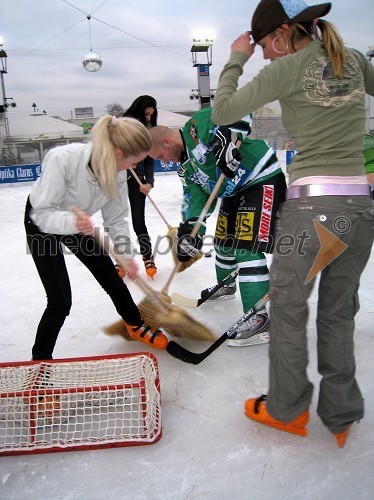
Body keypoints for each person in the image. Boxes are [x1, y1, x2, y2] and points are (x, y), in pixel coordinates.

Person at [212, 0, 374, 447]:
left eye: (265, 43)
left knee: (287, 310)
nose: (265, 53)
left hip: (312, 212)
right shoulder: (355, 59)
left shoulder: (287, 68)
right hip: (361, 208)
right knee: (339, 312)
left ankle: (287, 409)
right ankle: (341, 413)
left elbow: (222, 112)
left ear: (283, 33)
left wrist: (236, 58)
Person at [24, 115, 169, 360]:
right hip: (43, 222)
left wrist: (124, 255)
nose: (133, 169)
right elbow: (42, 212)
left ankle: (134, 324)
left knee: (112, 276)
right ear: (119, 152)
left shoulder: (119, 172)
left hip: (80, 224)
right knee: (60, 300)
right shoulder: (63, 159)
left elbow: (116, 219)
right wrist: (72, 222)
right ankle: (39, 364)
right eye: (133, 162)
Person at [149, 106, 287, 346]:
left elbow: (239, 109)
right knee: (223, 243)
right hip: (232, 191)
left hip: (260, 179)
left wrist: (227, 137)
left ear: (167, 141)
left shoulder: (196, 126)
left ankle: (260, 317)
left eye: (160, 156)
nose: (164, 162)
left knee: (246, 248)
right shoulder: (185, 167)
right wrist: (190, 232)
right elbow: (196, 198)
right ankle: (228, 284)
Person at [122, 95, 158, 279]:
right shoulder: (122, 125)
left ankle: (148, 256)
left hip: (138, 182)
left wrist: (148, 182)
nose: (149, 118)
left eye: (152, 115)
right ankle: (122, 260)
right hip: (118, 179)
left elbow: (150, 161)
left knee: (138, 221)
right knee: (116, 221)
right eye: (146, 114)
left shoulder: (148, 131)